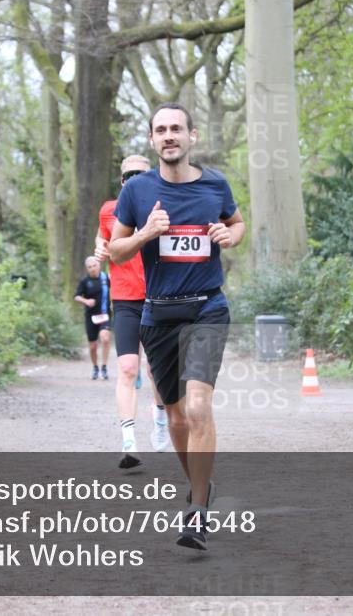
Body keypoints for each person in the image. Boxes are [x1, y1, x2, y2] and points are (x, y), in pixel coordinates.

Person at [109, 102, 245, 551]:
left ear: (192, 136)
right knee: (175, 417)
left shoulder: (214, 184)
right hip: (158, 313)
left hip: (207, 307)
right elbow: (116, 253)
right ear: (152, 140)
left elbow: (236, 222)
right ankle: (200, 489)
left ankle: (199, 511)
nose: (169, 136)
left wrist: (230, 235)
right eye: (160, 130)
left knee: (199, 408)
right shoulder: (138, 192)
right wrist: (146, 232)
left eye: (176, 129)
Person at [94, 155, 170, 470]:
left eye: (141, 174)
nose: (134, 180)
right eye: (129, 176)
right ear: (122, 181)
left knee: (156, 372)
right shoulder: (109, 209)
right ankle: (129, 442)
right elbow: (102, 237)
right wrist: (99, 248)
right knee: (127, 368)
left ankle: (161, 417)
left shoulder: (163, 208)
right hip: (125, 298)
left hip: (157, 297)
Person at [74, 256, 112, 381]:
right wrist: (86, 301)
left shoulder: (106, 278)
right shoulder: (85, 281)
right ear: (87, 269)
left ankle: (104, 367)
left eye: (94, 266)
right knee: (93, 346)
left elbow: (117, 289)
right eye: (89, 267)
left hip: (105, 314)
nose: (92, 269)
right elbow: (77, 296)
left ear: (99, 265)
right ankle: (95, 367)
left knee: (105, 338)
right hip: (91, 316)